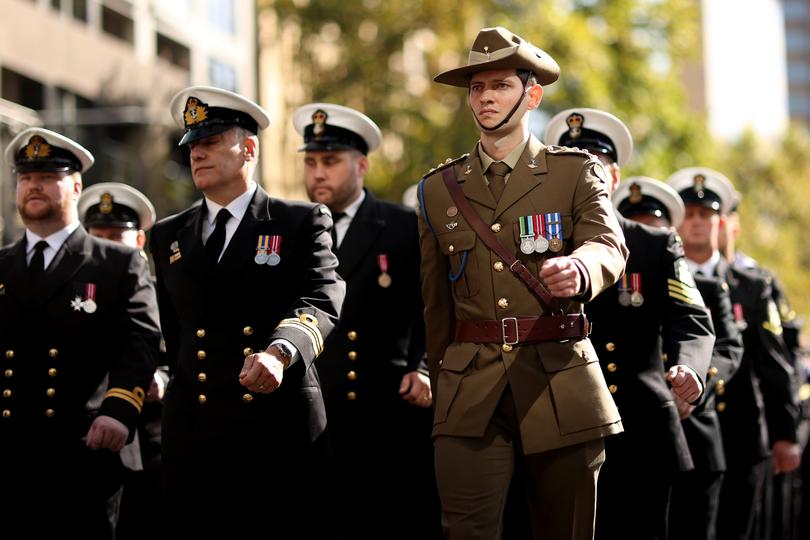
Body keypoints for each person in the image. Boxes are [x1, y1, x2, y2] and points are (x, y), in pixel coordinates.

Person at [418, 27, 628, 539]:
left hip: (560, 380)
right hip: (470, 395)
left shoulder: (574, 172)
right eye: (476, 87)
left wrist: (580, 268)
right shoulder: (438, 189)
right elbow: (436, 308)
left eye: (501, 85)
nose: (486, 97)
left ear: (531, 95)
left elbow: (608, 245)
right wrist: (446, 398)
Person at [149, 86, 346, 537]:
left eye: (212, 142)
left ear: (249, 148)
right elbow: (172, 332)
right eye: (192, 145)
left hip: (274, 432)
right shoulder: (168, 236)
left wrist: (280, 351)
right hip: (195, 434)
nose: (197, 154)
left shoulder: (300, 221)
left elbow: (321, 297)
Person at [543, 109, 714, 539]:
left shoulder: (652, 243)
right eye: (570, 161)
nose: (582, 171)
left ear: (614, 177)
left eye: (594, 162)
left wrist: (689, 368)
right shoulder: (536, 239)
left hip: (641, 429)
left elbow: (691, 318)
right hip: (557, 426)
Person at [0, 128, 161, 538]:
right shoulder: (2, 264)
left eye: (47, 176)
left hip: (82, 450)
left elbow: (139, 341)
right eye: (25, 177)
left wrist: (120, 409)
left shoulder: (116, 263)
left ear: (75, 185)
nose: (33, 185)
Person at [293, 102, 440, 537]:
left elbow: (433, 305)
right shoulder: (292, 227)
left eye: (331, 161)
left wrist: (425, 365)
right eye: (311, 162)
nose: (318, 172)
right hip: (315, 407)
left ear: (361, 166)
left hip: (387, 409)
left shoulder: (401, 225)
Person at [667, 167, 800, 540]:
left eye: (706, 215)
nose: (697, 224)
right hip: (685, 434)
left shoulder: (752, 286)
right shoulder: (661, 280)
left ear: (722, 223)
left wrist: (784, 434)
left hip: (741, 434)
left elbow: (773, 363)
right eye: (689, 215)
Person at [613, 175, 744, 540]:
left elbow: (720, 343)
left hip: (692, 424)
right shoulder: (606, 268)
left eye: (654, 227)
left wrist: (694, 382)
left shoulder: (703, 283)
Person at [77, 182, 169, 539]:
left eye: (117, 236)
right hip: (94, 442)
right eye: (98, 236)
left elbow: (186, 354)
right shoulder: (76, 294)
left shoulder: (167, 291)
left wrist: (162, 379)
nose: (107, 246)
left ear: (139, 242)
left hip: (152, 441)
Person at [719, 193, 806, 540]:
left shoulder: (756, 282)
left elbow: (781, 355)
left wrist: (785, 429)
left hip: (749, 427)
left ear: (733, 226)